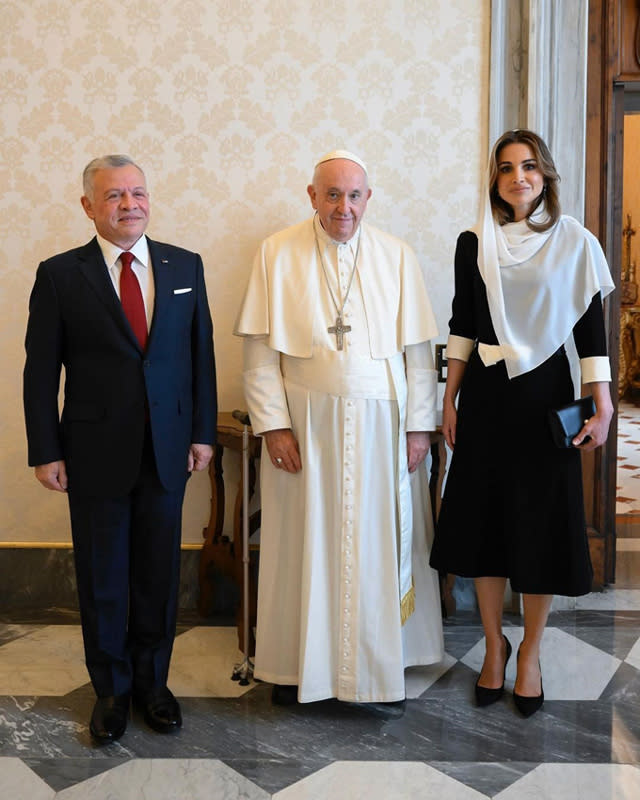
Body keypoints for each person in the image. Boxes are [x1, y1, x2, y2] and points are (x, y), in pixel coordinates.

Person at [234, 149, 444, 710]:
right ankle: (294, 665)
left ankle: (381, 667)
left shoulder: (396, 256)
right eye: (331, 194)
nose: (343, 207)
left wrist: (419, 429)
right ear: (311, 196)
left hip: (384, 425)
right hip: (306, 427)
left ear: (368, 199)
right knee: (303, 542)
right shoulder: (276, 253)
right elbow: (258, 354)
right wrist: (274, 426)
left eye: (354, 195)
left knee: (379, 540)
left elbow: (419, 355)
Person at [23, 155, 217, 742]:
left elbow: (199, 357)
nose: (129, 204)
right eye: (114, 196)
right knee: (104, 575)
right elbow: (40, 372)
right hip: (92, 451)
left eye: (138, 193)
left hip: (167, 449)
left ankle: (153, 686)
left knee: (158, 575)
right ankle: (110, 690)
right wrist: (45, 450)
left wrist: (202, 433)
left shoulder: (185, 266)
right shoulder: (60, 274)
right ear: (88, 206)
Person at [429, 130, 614, 717]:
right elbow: (462, 322)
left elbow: (589, 333)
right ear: (495, 180)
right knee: (484, 528)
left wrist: (602, 400)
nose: (518, 177)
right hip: (485, 398)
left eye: (529, 167)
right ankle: (493, 646)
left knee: (540, 528)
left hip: (544, 401)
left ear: (545, 176)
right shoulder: (473, 242)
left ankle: (530, 652)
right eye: (506, 168)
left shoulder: (575, 243)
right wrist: (449, 398)